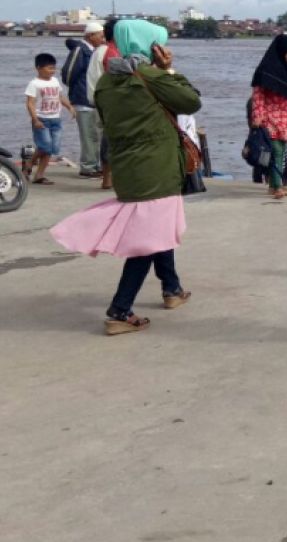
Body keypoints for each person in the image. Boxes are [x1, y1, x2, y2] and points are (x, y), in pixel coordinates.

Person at [50, 19, 202, 334]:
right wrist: (169, 69)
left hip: (127, 167)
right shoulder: (149, 75)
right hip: (156, 168)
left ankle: (171, 289)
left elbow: (106, 117)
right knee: (145, 243)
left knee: (155, 231)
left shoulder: (107, 81)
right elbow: (191, 101)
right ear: (151, 45)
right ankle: (119, 311)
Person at [250, 35, 287, 199]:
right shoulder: (265, 69)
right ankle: (278, 186)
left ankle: (273, 186)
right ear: (282, 49)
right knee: (277, 151)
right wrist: (257, 115)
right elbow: (258, 94)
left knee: (280, 151)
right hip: (270, 117)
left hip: (286, 119)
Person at [23, 53, 76, 184]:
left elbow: (60, 96)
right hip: (42, 119)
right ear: (39, 68)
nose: (52, 71)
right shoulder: (34, 83)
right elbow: (30, 103)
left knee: (52, 148)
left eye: (53, 68)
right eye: (49, 68)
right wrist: (35, 119)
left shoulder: (55, 81)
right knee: (45, 146)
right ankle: (31, 165)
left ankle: (38, 174)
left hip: (55, 119)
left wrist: (69, 107)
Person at [63, 23, 105, 177]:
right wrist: (80, 89)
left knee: (96, 135)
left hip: (93, 100)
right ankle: (88, 167)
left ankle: (95, 164)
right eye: (100, 35)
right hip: (83, 100)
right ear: (90, 36)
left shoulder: (93, 51)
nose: (102, 38)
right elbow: (67, 74)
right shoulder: (81, 50)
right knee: (89, 135)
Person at [87, 19, 121, 189]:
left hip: (97, 101)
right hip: (108, 103)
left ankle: (107, 177)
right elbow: (116, 79)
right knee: (111, 140)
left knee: (106, 139)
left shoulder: (98, 51)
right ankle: (109, 178)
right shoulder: (111, 52)